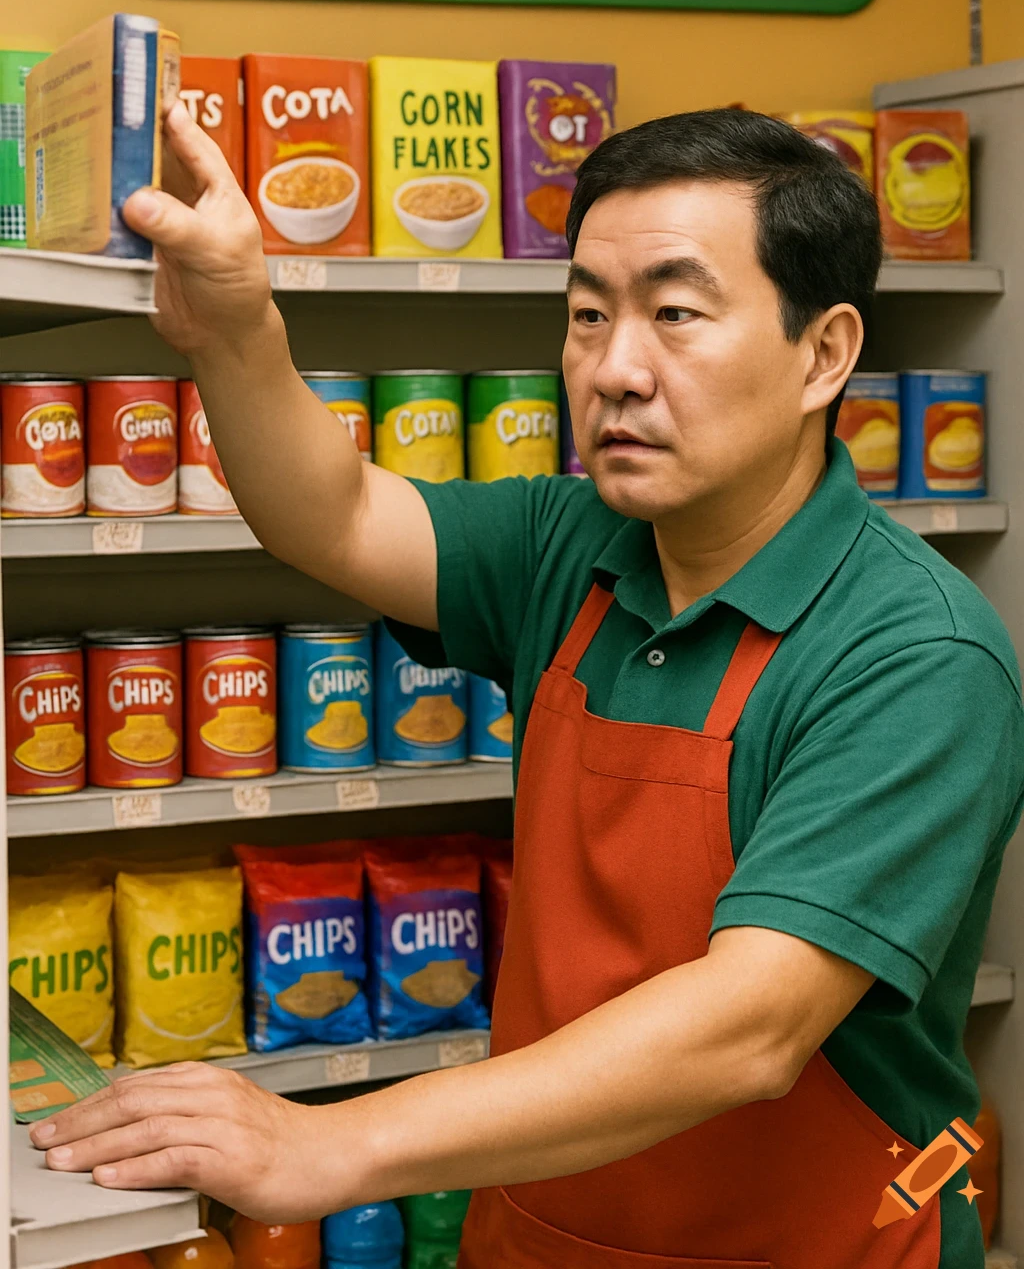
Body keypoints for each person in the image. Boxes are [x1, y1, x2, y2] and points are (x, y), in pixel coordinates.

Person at [32, 105, 1023, 1269]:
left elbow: (751, 1028)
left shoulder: (913, 653)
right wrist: (236, 331)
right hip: (542, 1234)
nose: (614, 370)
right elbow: (334, 516)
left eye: (675, 314)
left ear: (824, 354)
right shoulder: (570, 543)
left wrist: (332, 1143)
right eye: (588, 316)